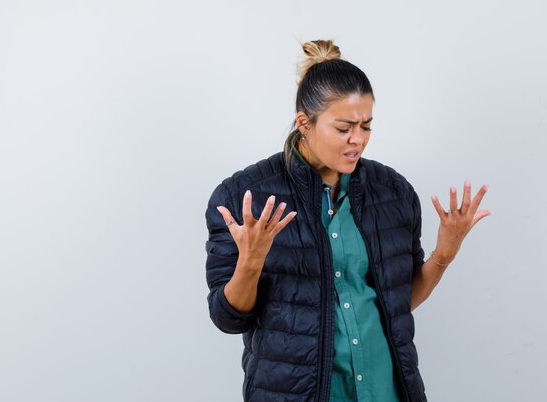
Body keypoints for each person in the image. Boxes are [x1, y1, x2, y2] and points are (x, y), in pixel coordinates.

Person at [204, 39, 490, 402]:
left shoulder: (394, 193)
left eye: (366, 126)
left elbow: (398, 302)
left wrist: (444, 254)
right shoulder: (244, 198)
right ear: (304, 123)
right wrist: (250, 262)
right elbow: (228, 319)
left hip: (386, 390)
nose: (358, 140)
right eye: (344, 129)